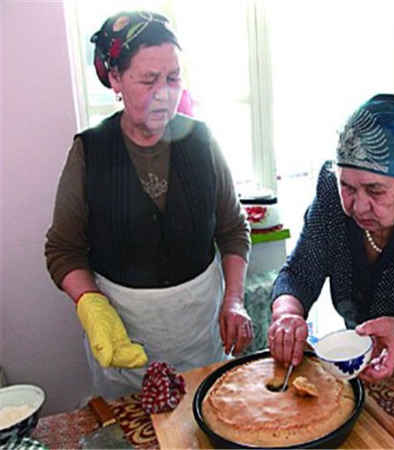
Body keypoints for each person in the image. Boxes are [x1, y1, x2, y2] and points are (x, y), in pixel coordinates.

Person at [45, 11, 253, 398]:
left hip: (198, 332)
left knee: (202, 414)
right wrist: (91, 304)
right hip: (126, 335)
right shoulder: (90, 152)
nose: (164, 93)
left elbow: (233, 229)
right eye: (149, 80)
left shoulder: (202, 141)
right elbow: (63, 249)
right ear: (116, 79)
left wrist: (234, 299)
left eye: (173, 78)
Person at [268, 94, 394, 383]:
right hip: (364, 354)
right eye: (348, 187)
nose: (359, 206)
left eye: (375, 191)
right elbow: (300, 272)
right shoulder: (330, 191)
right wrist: (287, 314)